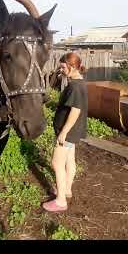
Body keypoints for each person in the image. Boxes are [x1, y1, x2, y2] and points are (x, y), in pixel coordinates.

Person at [42, 52, 88, 212]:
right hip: (75, 131)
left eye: (63, 67)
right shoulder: (80, 83)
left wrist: (63, 133)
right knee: (70, 160)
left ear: (72, 66)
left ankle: (60, 201)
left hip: (68, 132)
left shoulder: (75, 86)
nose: (61, 70)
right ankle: (66, 190)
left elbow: (75, 111)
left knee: (56, 163)